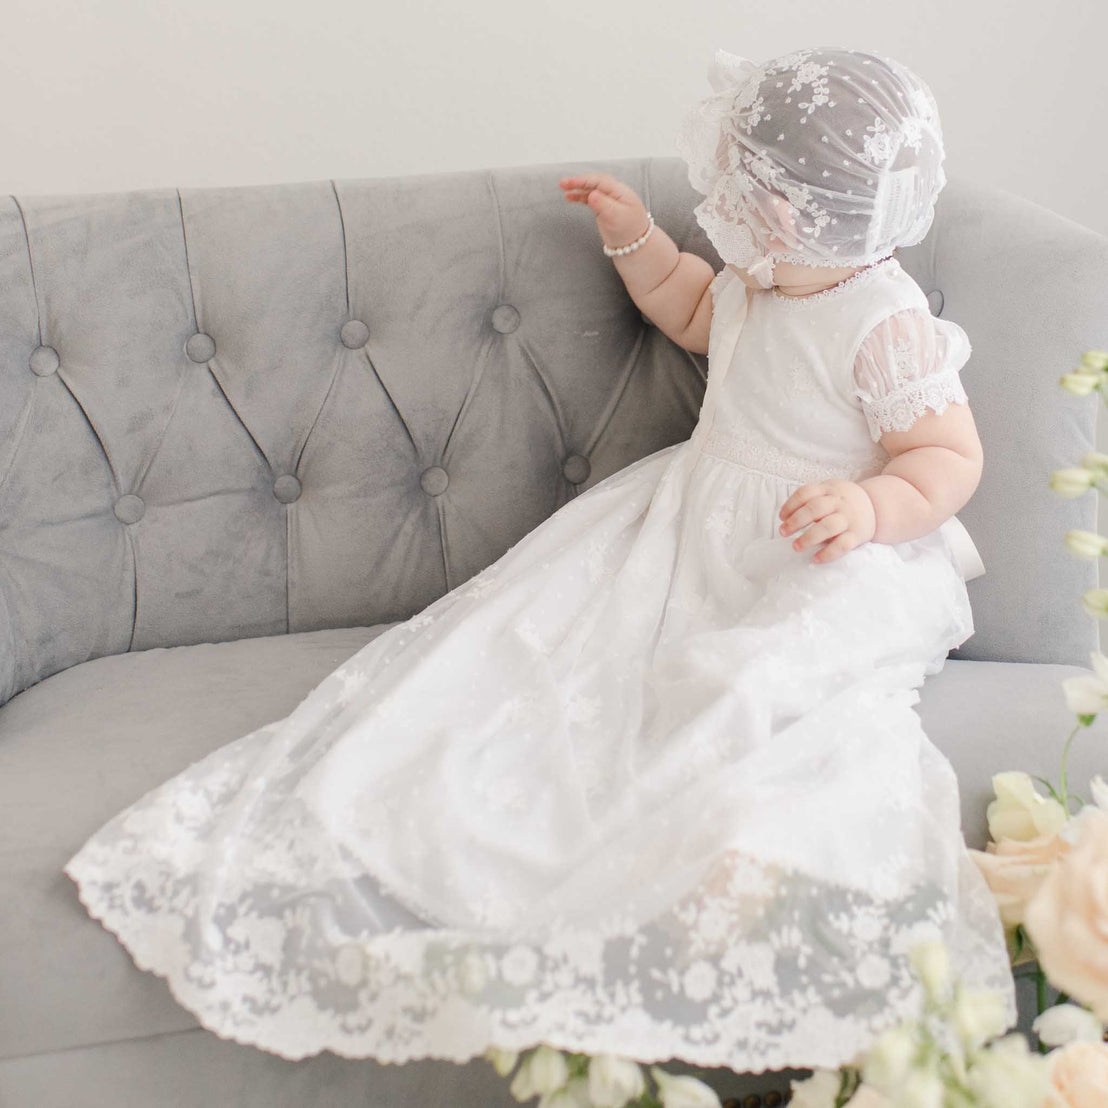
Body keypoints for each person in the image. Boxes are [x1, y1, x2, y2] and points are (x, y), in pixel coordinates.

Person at [64, 46, 1017, 1077]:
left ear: (795, 215)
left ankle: (711, 865)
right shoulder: (754, 283)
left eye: (740, 201)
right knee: (546, 643)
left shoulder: (883, 324)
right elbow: (693, 310)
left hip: (819, 546)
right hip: (692, 520)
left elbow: (948, 455)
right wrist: (636, 241)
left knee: (752, 684)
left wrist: (873, 503)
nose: (727, 221)